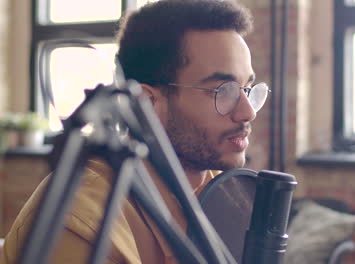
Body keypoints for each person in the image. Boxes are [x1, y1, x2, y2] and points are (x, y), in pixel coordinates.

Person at [0, 0, 270, 263]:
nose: (248, 112)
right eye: (224, 92)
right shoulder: (80, 223)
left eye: (247, 89)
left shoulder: (222, 192)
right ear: (147, 102)